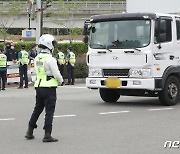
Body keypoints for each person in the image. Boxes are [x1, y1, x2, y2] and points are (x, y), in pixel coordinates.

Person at [25, 34, 63, 142]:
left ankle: (29, 131)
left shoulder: (37, 57)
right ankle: (47, 134)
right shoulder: (50, 59)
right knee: (49, 111)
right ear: (49, 45)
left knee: (37, 109)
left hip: (39, 86)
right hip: (49, 87)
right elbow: (56, 74)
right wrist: (61, 81)